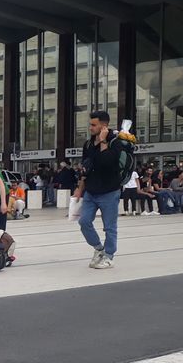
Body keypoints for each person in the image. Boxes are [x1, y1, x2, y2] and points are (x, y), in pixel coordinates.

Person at [73, 111, 124, 269]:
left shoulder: (116, 142)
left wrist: (103, 141)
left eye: (94, 125)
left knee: (109, 226)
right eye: (90, 124)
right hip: (91, 191)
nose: (90, 128)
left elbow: (106, 162)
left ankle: (109, 256)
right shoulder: (88, 144)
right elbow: (85, 168)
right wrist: (79, 188)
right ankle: (99, 249)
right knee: (84, 221)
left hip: (109, 191)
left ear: (104, 125)